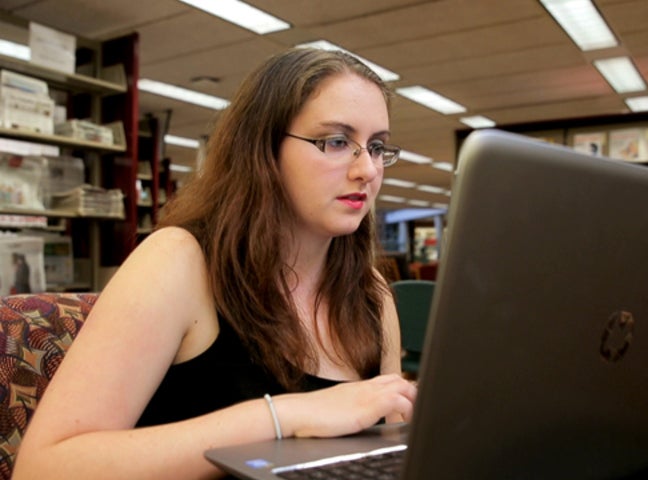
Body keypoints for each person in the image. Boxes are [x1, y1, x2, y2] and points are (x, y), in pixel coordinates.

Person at [13, 47, 417, 479]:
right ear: (263, 148)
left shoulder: (370, 293)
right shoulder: (179, 262)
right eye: (337, 142)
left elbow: (389, 447)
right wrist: (282, 418)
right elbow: (42, 468)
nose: (368, 170)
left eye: (376, 147)